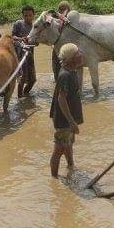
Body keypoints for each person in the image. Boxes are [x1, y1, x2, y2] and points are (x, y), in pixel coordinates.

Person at [50, 43, 84, 177]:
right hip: (64, 120)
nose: (81, 54)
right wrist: (71, 122)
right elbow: (61, 99)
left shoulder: (72, 71)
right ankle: (54, 180)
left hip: (68, 119)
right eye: (78, 53)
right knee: (59, 149)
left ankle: (70, 166)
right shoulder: (65, 75)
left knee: (68, 144)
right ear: (71, 58)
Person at [11, 4, 37, 97]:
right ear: (22, 15)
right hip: (20, 55)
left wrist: (35, 42)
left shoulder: (35, 27)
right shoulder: (18, 24)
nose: (28, 17)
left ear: (34, 15)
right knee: (22, 78)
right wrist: (21, 39)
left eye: (30, 15)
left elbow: (36, 42)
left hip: (30, 54)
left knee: (33, 80)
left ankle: (26, 95)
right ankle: (20, 98)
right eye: (26, 15)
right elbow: (12, 37)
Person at [50, 0, 72, 81]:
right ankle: (57, 81)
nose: (63, 12)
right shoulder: (55, 19)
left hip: (68, 47)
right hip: (57, 47)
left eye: (64, 10)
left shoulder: (71, 20)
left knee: (70, 66)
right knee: (56, 66)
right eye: (61, 10)